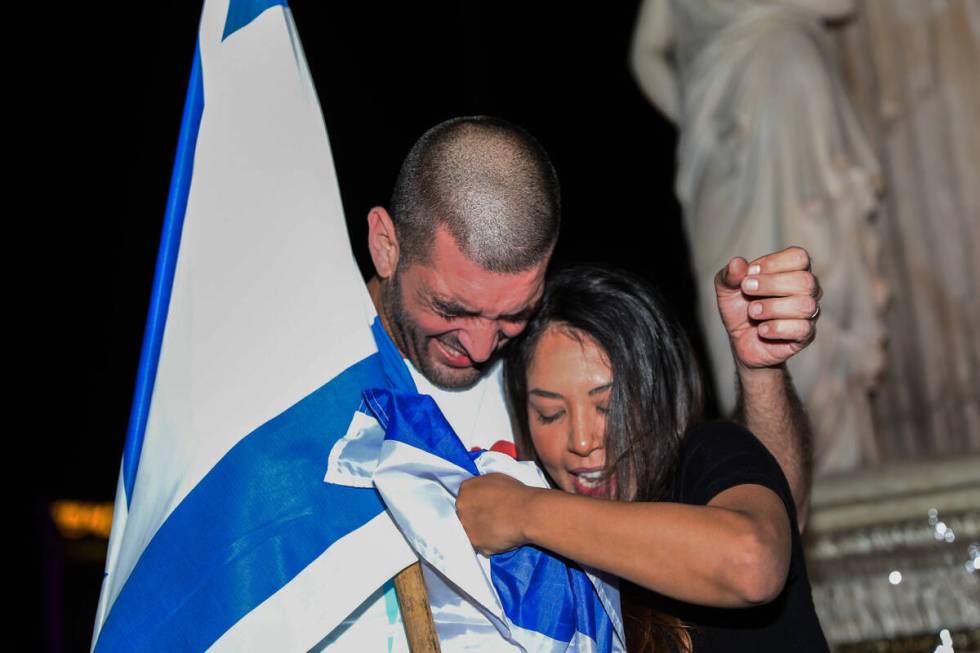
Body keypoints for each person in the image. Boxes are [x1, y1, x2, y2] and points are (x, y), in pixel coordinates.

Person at [324, 115, 822, 649]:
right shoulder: (309, 385)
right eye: (549, 413)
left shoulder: (689, 459)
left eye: (512, 316)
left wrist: (521, 511)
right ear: (384, 244)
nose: (481, 348)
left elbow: (766, 531)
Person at [456, 265, 830, 652]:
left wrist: (524, 512)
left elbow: (753, 563)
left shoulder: (705, 455)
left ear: (655, 391)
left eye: (608, 405)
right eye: (550, 414)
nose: (582, 442)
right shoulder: (546, 568)